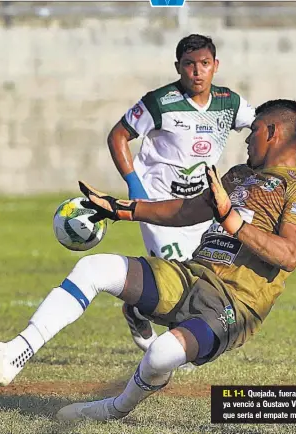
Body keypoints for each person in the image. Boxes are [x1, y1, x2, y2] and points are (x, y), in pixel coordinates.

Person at [0, 99, 296, 421]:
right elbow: (183, 211)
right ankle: (13, 355)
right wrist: (120, 210)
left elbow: (289, 255)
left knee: (162, 353)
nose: (246, 139)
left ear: (272, 132)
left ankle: (114, 409)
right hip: (190, 276)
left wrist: (233, 221)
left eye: (253, 131)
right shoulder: (238, 175)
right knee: (94, 268)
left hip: (235, 306)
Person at [107, 34, 255, 351]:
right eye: (189, 65)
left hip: (200, 206)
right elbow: (118, 135)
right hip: (159, 203)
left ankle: (137, 308)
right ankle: (167, 342)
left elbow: (260, 127)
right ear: (178, 67)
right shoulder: (160, 102)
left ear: (215, 66)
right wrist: (134, 183)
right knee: (174, 275)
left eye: (204, 64)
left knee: (202, 276)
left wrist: (285, 122)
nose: (197, 72)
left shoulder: (229, 103)